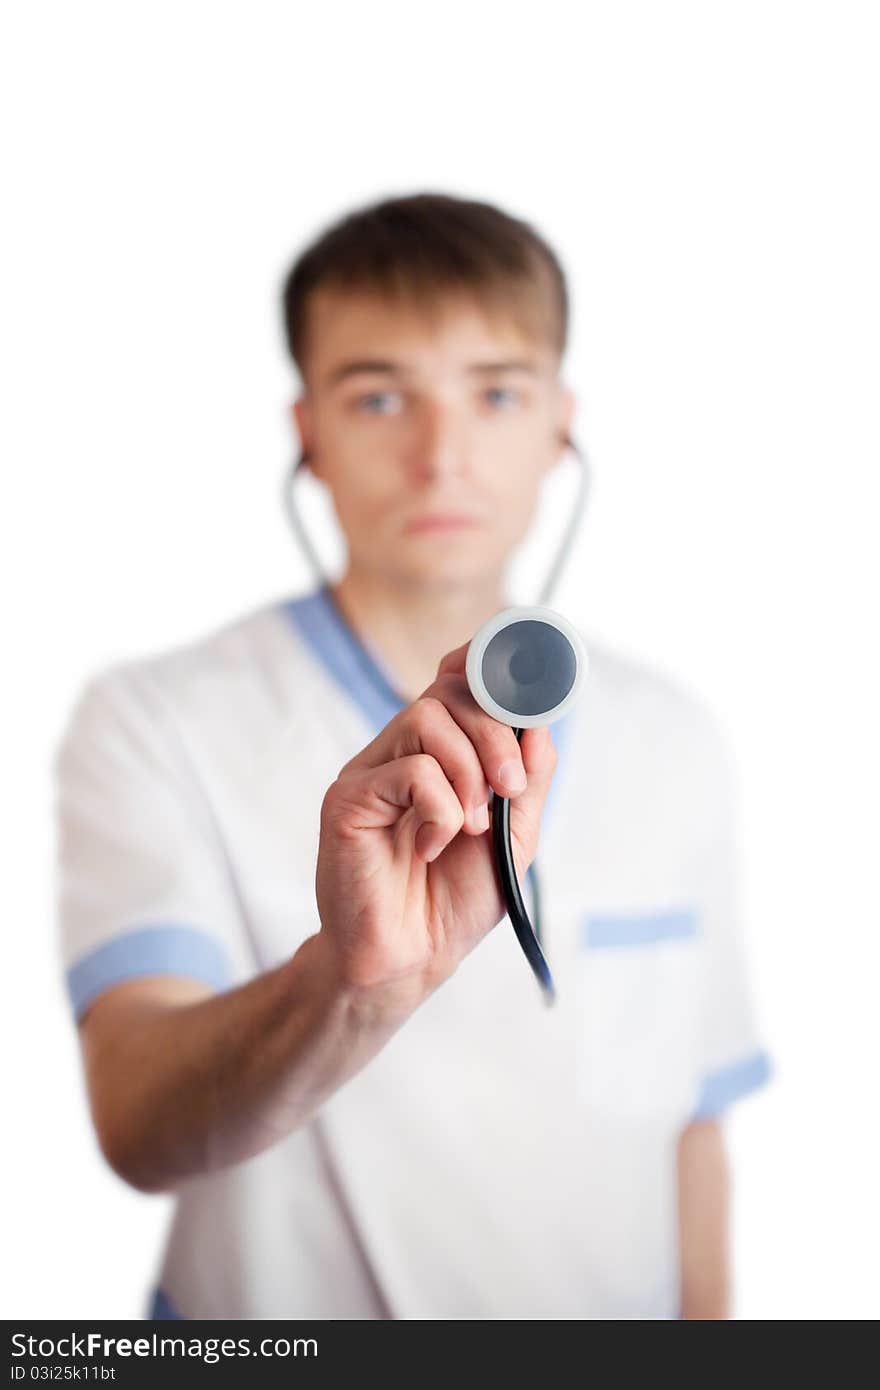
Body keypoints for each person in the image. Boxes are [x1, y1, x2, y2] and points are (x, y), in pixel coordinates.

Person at [53, 191, 771, 1321]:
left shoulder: (671, 736)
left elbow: (689, 1125)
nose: (443, 456)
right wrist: (351, 985)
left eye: (495, 392)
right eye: (380, 395)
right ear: (309, 434)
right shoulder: (153, 720)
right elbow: (138, 1124)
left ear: (560, 424)